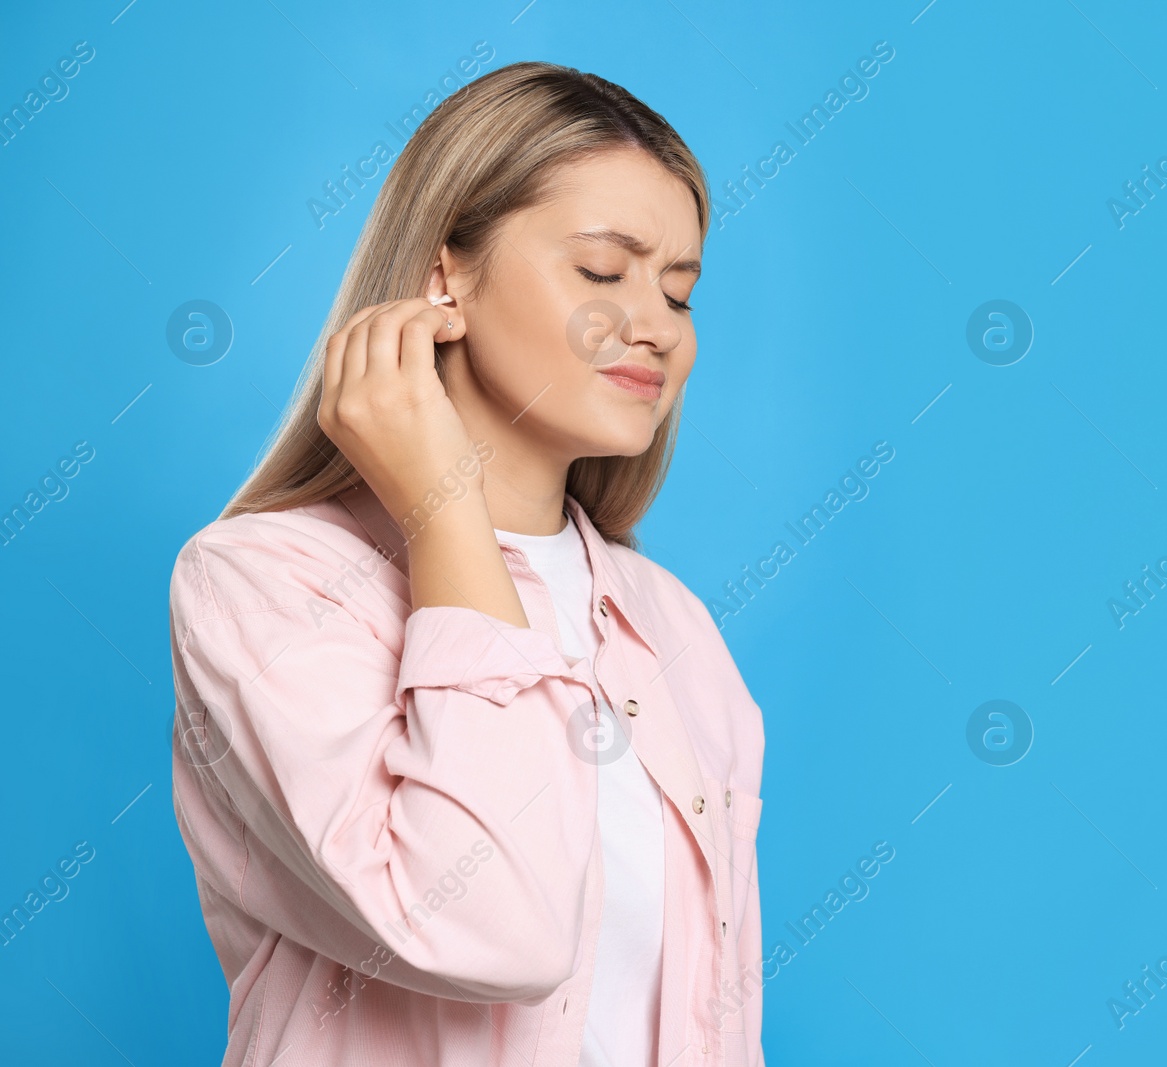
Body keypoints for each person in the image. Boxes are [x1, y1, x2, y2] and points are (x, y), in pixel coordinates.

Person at [167, 60, 765, 1067]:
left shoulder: (675, 628)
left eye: (678, 288)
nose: (657, 325)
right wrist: (444, 512)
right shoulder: (261, 586)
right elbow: (489, 924)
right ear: (446, 275)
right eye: (601, 271)